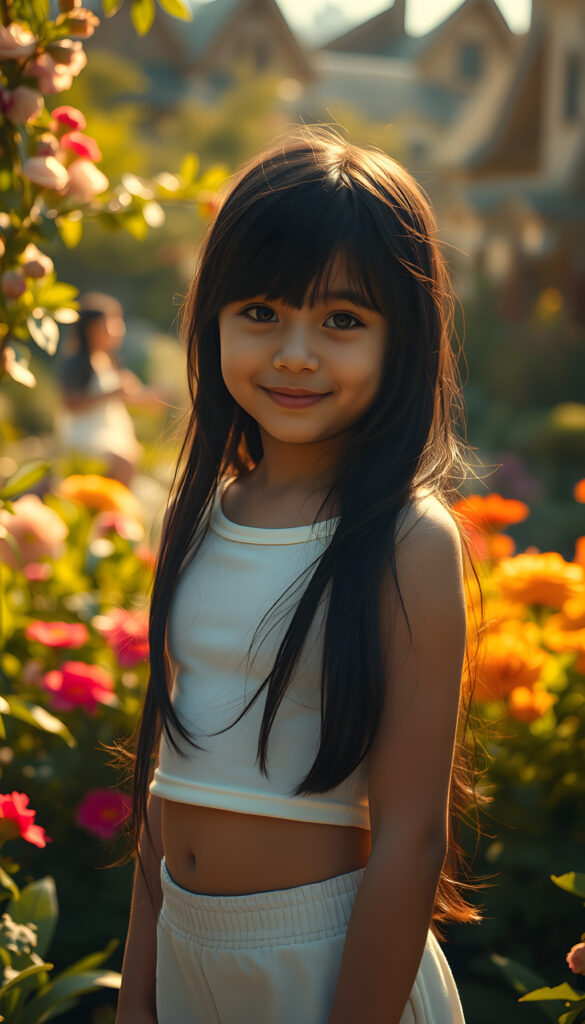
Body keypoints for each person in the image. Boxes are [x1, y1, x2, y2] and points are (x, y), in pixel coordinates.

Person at [114, 125, 489, 1024]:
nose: (294, 353)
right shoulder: (199, 517)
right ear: (211, 317)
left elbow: (411, 836)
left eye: (342, 321)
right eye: (260, 312)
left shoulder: (406, 540)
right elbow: (167, 786)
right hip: (187, 949)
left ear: (403, 340)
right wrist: (137, 997)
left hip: (325, 963)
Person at [55, 292, 166, 487]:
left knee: (132, 458)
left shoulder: (107, 360)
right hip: (85, 435)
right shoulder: (78, 362)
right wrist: (113, 393)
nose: (118, 329)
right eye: (110, 322)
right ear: (91, 329)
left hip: (107, 433)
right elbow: (70, 403)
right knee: (124, 463)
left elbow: (121, 397)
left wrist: (151, 399)